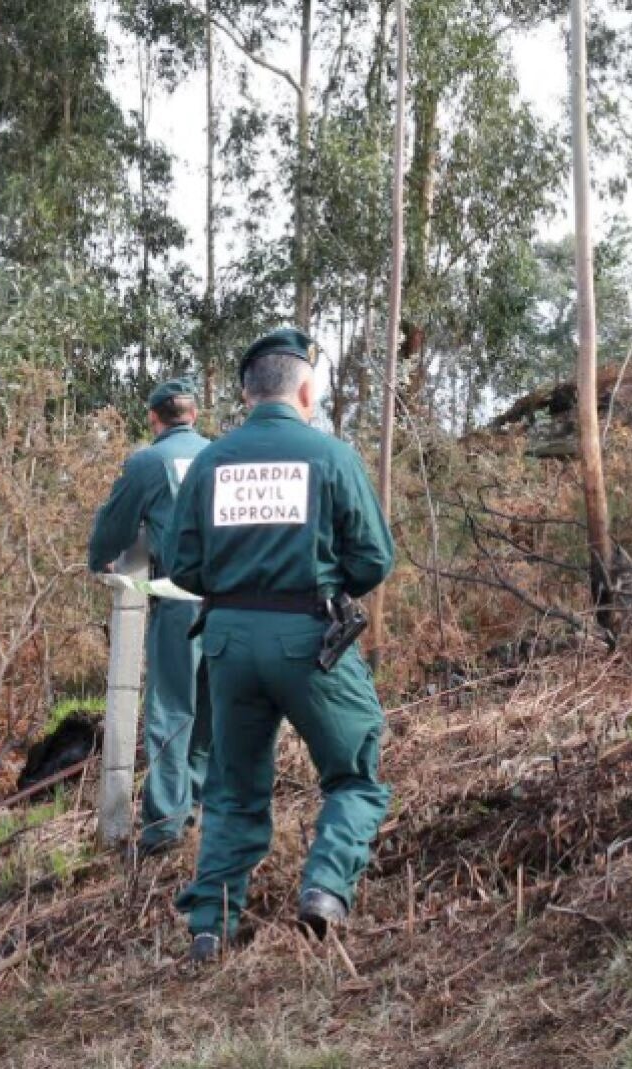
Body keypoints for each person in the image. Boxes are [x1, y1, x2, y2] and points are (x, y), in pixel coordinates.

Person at [166, 328, 396, 964]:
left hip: (228, 643)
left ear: (246, 392)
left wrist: (237, 586)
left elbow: (182, 567)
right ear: (304, 388)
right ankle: (323, 890)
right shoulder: (330, 455)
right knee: (355, 776)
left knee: (233, 790)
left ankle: (210, 924)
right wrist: (321, 589)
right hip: (310, 639)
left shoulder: (210, 462)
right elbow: (375, 558)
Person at [86, 378, 213, 857]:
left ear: (154, 419)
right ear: (194, 415)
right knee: (212, 708)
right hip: (232, 599)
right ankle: (199, 803)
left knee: (171, 710)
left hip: (180, 599)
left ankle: (163, 826)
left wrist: (99, 560)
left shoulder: (148, 462)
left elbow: (114, 523)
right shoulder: (221, 454)